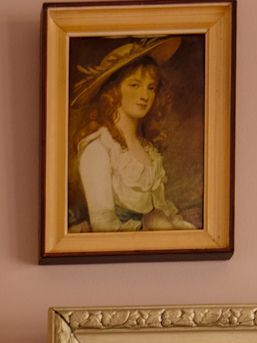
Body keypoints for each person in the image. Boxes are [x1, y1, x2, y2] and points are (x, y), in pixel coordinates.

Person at [70, 38, 196, 234]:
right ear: (113, 91)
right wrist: (150, 226)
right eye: (134, 85)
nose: (145, 96)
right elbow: (103, 225)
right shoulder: (98, 149)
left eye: (151, 87)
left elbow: (164, 211)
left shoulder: (149, 151)